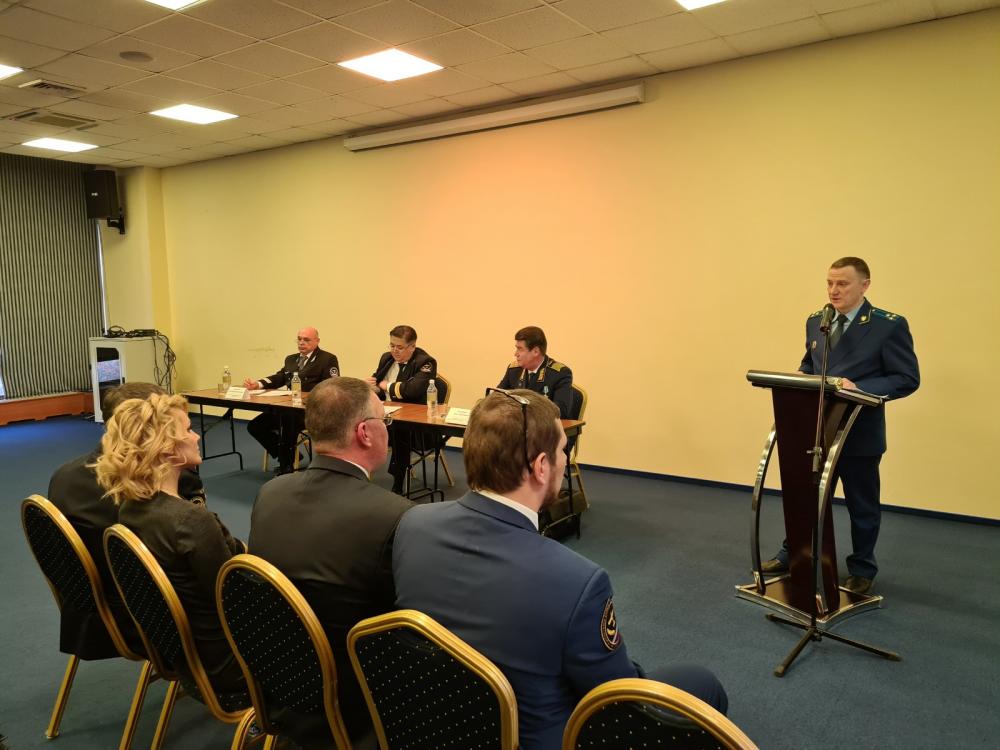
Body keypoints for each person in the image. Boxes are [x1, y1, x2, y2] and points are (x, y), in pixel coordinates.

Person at [392, 389, 727, 749]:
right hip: (535, 738)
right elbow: (618, 700)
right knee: (701, 683)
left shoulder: (413, 524)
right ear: (540, 467)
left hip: (430, 724)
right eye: (563, 450)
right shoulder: (577, 580)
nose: (566, 460)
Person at [249, 377, 413, 747]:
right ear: (365, 433)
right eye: (385, 421)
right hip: (354, 695)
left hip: (275, 675)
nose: (387, 429)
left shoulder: (270, 493)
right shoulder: (395, 515)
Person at [761, 257, 919, 595]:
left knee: (862, 504)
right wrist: (800, 376)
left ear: (865, 285)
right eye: (830, 283)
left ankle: (862, 567)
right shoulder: (817, 321)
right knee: (807, 497)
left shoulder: (887, 326)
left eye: (842, 283)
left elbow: (906, 378)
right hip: (817, 429)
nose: (834, 290)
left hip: (858, 431)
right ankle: (795, 553)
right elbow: (811, 363)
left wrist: (859, 387)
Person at [94, 393, 246, 695]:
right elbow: (237, 600)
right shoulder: (190, 521)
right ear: (166, 447)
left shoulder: (131, 509)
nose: (197, 436)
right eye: (188, 429)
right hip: (228, 664)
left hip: (185, 657)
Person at [48, 382, 206, 659]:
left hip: (86, 613)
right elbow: (197, 560)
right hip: (150, 620)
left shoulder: (64, 476)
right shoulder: (164, 483)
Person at [243, 327, 340, 475]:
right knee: (255, 426)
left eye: (306, 340)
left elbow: (332, 386)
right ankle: (287, 456)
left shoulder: (327, 359)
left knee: (288, 419)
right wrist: (258, 384)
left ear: (317, 341)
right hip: (289, 407)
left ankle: (287, 466)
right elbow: (280, 377)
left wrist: (309, 397)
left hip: (311, 411)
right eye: (299, 339)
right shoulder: (291, 359)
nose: (301, 342)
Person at [364, 325, 436, 494]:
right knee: (358, 425)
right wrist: (372, 387)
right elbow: (378, 385)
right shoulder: (386, 358)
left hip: (414, 422)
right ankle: (358, 474)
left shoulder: (425, 362)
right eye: (392, 345)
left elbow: (412, 391)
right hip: (384, 414)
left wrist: (385, 385)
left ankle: (398, 482)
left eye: (400, 347)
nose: (394, 351)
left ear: (412, 346)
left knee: (399, 430)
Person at [498, 326, 573, 419]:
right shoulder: (514, 370)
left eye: (520, 349)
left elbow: (560, 412)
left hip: (544, 426)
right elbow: (497, 398)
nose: (516, 354)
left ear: (536, 351)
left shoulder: (559, 374)